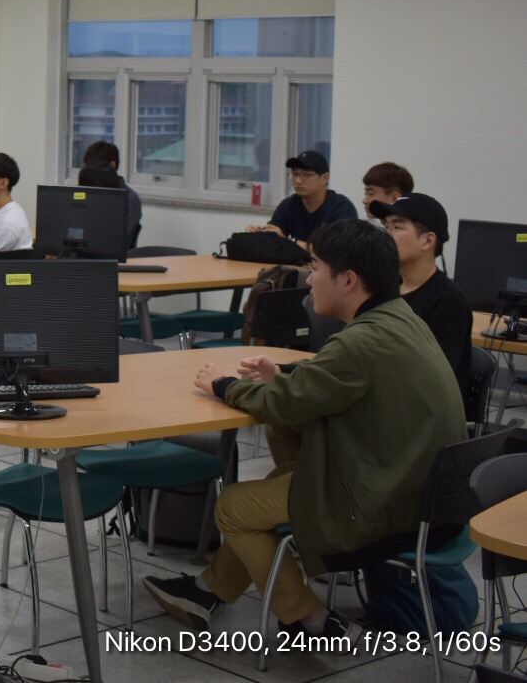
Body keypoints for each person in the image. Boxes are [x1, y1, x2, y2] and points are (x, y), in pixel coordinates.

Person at [143, 219, 465, 644]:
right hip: (414, 492)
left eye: (316, 268)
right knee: (281, 447)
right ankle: (208, 590)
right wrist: (283, 374)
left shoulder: (359, 343)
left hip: (385, 504)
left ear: (348, 280)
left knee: (235, 507)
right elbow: (329, 381)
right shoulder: (400, 319)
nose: (309, 280)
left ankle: (310, 620)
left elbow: (284, 401)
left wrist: (222, 385)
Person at [369, 193, 470, 386]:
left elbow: (435, 378)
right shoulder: (384, 289)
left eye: (397, 227)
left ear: (428, 241)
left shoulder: (448, 301)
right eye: (386, 227)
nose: (386, 236)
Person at [247, 150, 356, 244]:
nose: (298, 181)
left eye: (306, 175)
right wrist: (258, 236)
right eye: (295, 174)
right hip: (296, 262)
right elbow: (273, 239)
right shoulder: (288, 205)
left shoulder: (341, 208)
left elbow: (337, 251)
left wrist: (288, 242)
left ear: (325, 178)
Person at [82, 140, 142, 248]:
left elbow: (122, 241)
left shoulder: (130, 200)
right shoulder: (85, 193)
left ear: (112, 165)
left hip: (111, 255)